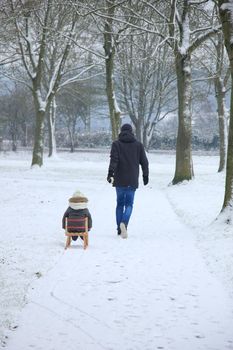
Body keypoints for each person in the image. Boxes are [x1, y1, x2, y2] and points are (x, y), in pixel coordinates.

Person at [107, 123, 149, 238]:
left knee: (119, 204)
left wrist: (110, 173)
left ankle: (119, 229)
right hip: (132, 179)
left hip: (119, 179)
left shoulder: (116, 144)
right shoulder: (138, 145)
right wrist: (146, 175)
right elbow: (144, 162)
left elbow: (113, 160)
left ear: (121, 131)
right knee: (129, 204)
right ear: (132, 132)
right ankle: (124, 223)